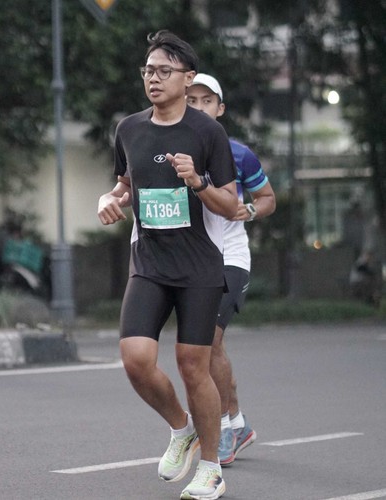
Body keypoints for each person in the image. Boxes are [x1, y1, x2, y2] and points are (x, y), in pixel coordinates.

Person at [98, 32, 238, 500]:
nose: (153, 79)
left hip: (198, 267)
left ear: (187, 78)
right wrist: (107, 199)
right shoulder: (129, 129)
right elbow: (124, 185)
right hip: (150, 263)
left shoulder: (207, 132)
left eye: (163, 71)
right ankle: (183, 429)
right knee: (136, 360)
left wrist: (197, 181)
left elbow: (231, 205)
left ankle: (212, 468)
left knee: (193, 367)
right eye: (148, 71)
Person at [186, 74, 276, 466]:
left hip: (230, 257)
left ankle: (223, 430)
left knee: (210, 342)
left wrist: (250, 209)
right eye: (192, 100)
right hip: (191, 260)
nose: (199, 107)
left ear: (220, 108)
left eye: (207, 101)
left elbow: (268, 197)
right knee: (206, 349)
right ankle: (238, 423)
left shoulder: (239, 154)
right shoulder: (171, 152)